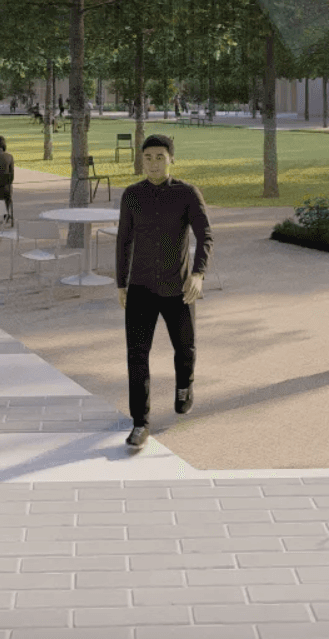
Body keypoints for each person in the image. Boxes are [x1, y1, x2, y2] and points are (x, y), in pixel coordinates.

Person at [116, 134, 213, 451]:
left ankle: (185, 385)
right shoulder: (131, 195)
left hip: (178, 289)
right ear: (141, 160)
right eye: (148, 157)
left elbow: (205, 235)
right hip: (141, 289)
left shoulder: (187, 194)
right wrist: (121, 283)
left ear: (171, 159)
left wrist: (198, 274)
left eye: (160, 157)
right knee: (136, 356)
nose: (154, 163)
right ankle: (140, 423)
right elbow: (124, 241)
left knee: (185, 349)